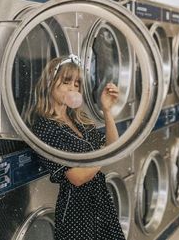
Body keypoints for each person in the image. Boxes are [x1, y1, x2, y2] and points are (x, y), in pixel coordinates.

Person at [29, 55, 126, 240]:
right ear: (50, 82)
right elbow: (77, 177)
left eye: (77, 83)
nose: (73, 88)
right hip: (76, 212)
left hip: (100, 200)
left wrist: (107, 110)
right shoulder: (44, 127)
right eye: (66, 81)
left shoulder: (79, 119)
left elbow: (112, 147)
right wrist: (104, 155)